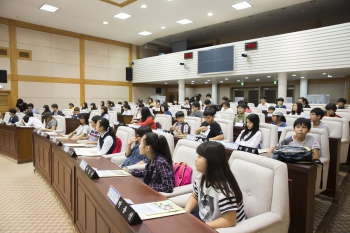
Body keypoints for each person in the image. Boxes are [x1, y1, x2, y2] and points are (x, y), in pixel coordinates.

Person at [185, 141, 245, 228]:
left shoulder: (224, 189)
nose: (195, 159)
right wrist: (186, 212)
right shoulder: (201, 177)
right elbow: (194, 196)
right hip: (205, 219)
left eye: (199, 156)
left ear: (211, 162)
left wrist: (202, 227)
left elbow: (229, 220)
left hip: (223, 226)